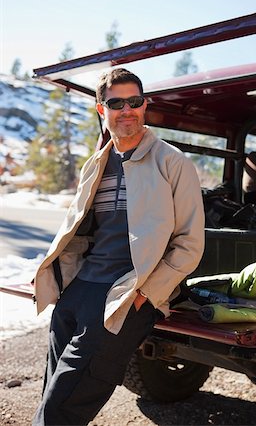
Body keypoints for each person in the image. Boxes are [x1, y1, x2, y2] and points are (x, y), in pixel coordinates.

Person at [32, 68, 205, 425]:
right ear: (101, 110)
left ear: (145, 106)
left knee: (62, 407)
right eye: (116, 103)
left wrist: (146, 295)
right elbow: (79, 228)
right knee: (54, 391)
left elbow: (189, 244)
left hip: (126, 294)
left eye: (134, 101)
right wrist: (63, 282)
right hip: (79, 291)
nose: (127, 110)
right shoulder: (95, 164)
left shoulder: (172, 162)